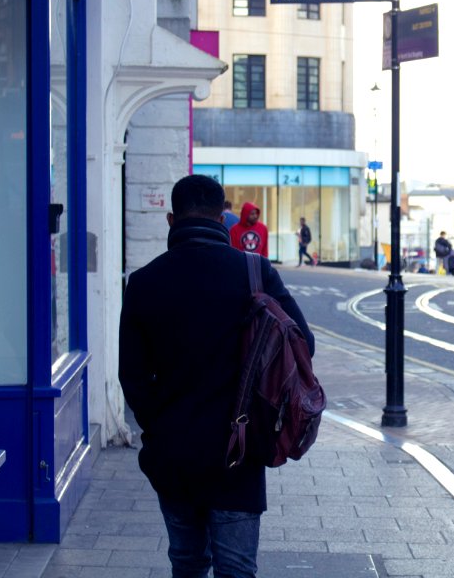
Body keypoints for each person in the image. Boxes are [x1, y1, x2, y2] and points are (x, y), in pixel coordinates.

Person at [119, 175, 314, 577]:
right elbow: (303, 344)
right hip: (238, 452)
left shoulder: (143, 283)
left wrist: (159, 428)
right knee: (237, 569)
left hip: (173, 455)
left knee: (187, 563)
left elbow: (132, 378)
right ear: (223, 218)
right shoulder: (254, 271)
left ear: (171, 220)